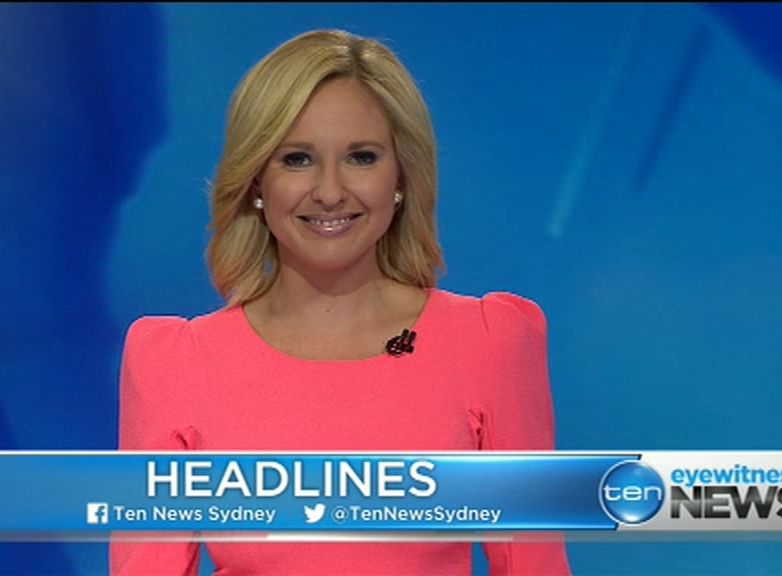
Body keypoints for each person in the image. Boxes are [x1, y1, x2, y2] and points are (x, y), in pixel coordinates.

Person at [111, 29, 571, 575]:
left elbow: (534, 563)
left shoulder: (489, 344)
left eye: (361, 157)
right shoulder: (174, 363)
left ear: (401, 176)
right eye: (297, 159)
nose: (330, 192)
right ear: (256, 181)